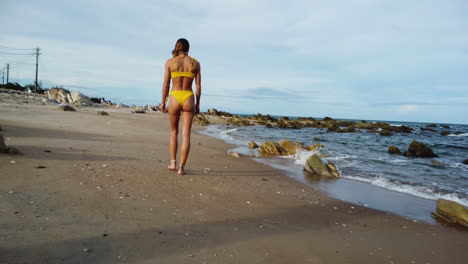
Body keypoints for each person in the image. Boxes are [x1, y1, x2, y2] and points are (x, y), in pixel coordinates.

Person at [160, 38, 201, 175]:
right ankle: (181, 168)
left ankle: (173, 163)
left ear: (177, 47)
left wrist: (163, 102)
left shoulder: (170, 62)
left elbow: (166, 84)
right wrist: (197, 103)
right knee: (186, 135)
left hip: (175, 97)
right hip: (188, 97)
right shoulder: (195, 63)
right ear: (188, 48)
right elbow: (198, 87)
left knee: (173, 132)